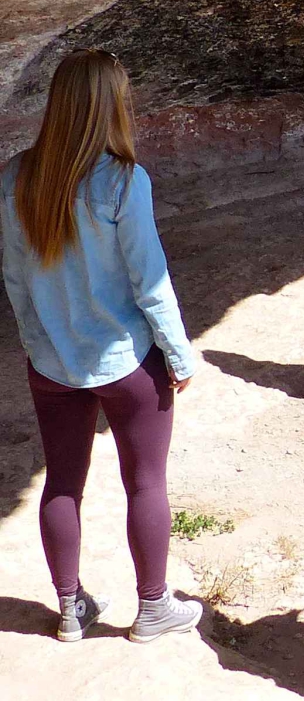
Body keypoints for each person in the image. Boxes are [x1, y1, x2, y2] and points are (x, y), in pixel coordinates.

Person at [0, 50, 203, 644]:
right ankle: (154, 608)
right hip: (125, 359)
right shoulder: (123, 180)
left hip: (52, 362)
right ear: (112, 104)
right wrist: (180, 354)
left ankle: (71, 608)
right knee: (146, 483)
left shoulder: (16, 176)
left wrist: (37, 344)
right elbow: (150, 280)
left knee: (62, 483)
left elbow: (14, 277)